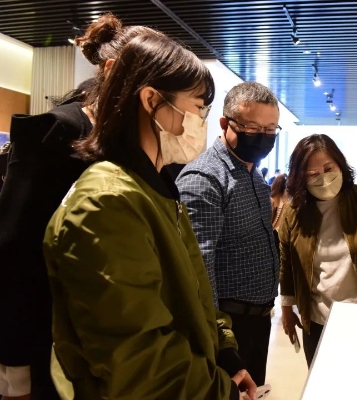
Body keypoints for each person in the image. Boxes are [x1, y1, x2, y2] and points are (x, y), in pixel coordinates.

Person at [43, 32, 256, 400]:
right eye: (198, 107)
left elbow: (192, 292)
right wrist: (221, 392)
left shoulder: (155, 190)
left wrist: (225, 352)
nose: (201, 121)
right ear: (152, 100)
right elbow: (139, 361)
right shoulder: (108, 202)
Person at [0, 14, 169, 400]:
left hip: (112, 338)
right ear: (113, 72)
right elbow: (15, 252)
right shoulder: (58, 131)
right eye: (154, 92)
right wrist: (15, 368)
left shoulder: (132, 140)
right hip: (50, 339)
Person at [177, 82, 280, 387]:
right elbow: (198, 268)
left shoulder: (253, 175)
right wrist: (220, 340)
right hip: (228, 324)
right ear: (225, 124)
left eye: (270, 129)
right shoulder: (205, 178)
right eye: (252, 127)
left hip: (258, 319)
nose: (262, 136)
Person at [278, 134, 357, 367]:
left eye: (328, 169)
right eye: (312, 174)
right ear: (300, 177)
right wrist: (286, 308)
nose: (323, 178)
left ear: (340, 165)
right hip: (318, 321)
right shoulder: (294, 213)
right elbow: (287, 263)